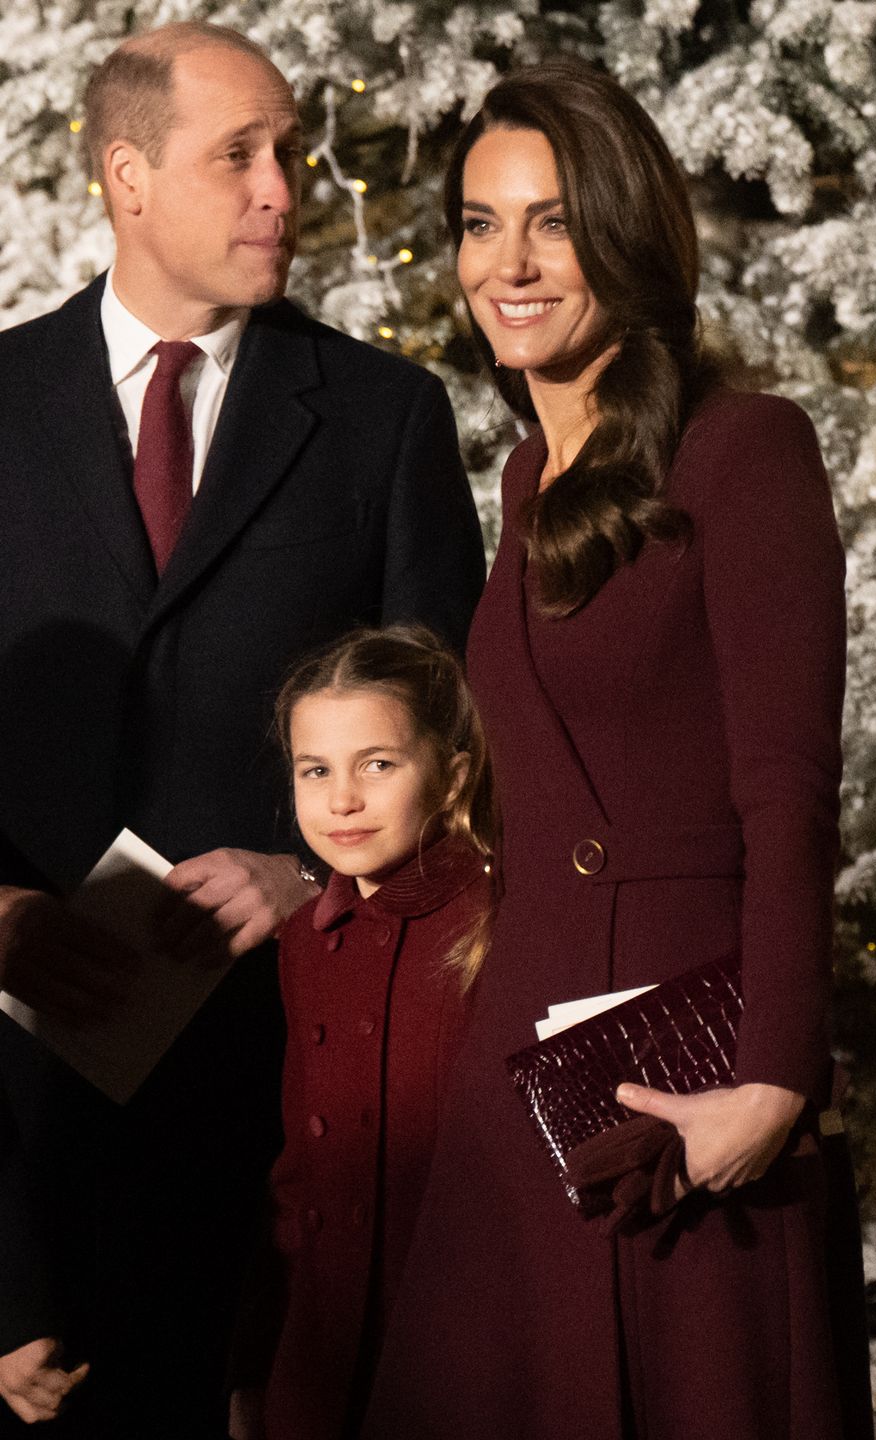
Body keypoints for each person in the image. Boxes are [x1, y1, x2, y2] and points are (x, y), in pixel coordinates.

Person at [360, 62, 874, 1440]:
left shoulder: (745, 449)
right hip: (523, 1080)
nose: (508, 263)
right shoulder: (527, 478)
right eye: (480, 223)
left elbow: (790, 798)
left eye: (552, 222)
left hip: (688, 1091)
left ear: (628, 238)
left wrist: (771, 1083)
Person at [0, 21, 484, 1437]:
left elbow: (456, 725)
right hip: (20, 1134)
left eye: (290, 150)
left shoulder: (384, 418)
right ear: (127, 177)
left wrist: (307, 871)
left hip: (289, 1112)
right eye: (242, 155)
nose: (286, 186)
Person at [227, 625, 494, 1439]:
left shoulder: (497, 918)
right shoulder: (307, 940)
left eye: (377, 764)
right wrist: (257, 1365)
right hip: (328, 1346)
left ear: (451, 777)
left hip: (465, 1344)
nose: (342, 799)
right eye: (316, 771)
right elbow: (299, 1174)